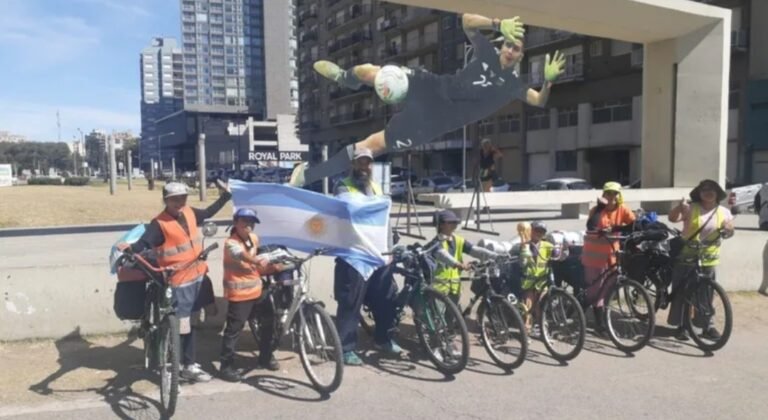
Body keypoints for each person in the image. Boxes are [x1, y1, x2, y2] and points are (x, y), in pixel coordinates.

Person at [299, 13, 566, 185]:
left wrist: (548, 81)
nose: (510, 50)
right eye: (508, 44)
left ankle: (308, 176)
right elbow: (466, 21)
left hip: (434, 122)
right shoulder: (485, 53)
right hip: (433, 87)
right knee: (373, 72)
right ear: (502, 44)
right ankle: (346, 77)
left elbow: (539, 101)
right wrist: (497, 23)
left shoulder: (512, 85)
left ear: (521, 56)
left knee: (370, 146)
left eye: (516, 49)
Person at [121, 181, 231, 383]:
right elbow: (145, 242)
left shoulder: (189, 212)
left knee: (191, 323)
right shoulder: (159, 224)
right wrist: (128, 249)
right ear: (166, 200)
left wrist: (226, 197)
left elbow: (207, 213)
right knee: (183, 325)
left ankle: (188, 364)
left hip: (197, 275)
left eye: (182, 198)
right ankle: (181, 364)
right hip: (179, 281)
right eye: (174, 199)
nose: (179, 202)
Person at [333, 147, 399, 366]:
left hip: (379, 255)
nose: (364, 167)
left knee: (386, 300)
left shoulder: (376, 187)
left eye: (368, 163)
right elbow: (351, 212)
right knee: (351, 303)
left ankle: (383, 339)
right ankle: (346, 348)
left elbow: (385, 222)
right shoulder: (343, 186)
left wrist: (389, 250)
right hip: (354, 255)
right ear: (353, 165)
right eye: (360, 162)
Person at [219, 208, 287, 382]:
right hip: (239, 294)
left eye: (251, 222)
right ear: (235, 223)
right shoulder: (231, 242)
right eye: (244, 221)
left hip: (257, 289)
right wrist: (256, 260)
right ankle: (226, 366)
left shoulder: (254, 239)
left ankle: (265, 356)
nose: (248, 225)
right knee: (234, 330)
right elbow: (241, 255)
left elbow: (256, 267)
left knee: (269, 322)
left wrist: (273, 266)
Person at [667, 179, 734, 340]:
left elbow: (730, 230)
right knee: (682, 292)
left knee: (706, 294)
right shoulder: (691, 207)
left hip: (708, 258)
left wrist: (728, 229)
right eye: (704, 189)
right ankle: (682, 325)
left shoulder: (724, 212)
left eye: (712, 189)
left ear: (717, 193)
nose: (708, 192)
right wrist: (679, 207)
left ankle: (706, 326)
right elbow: (672, 218)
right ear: (699, 193)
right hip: (687, 256)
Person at [582, 181, 636, 334]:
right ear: (603, 195)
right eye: (608, 193)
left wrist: (615, 228)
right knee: (596, 291)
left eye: (614, 193)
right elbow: (590, 226)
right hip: (594, 256)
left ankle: (595, 315)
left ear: (619, 195)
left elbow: (633, 225)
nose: (611, 196)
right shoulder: (597, 210)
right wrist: (600, 208)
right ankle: (599, 324)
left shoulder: (623, 209)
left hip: (612, 256)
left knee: (607, 290)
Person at [426, 210, 501, 305]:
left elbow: (475, 250)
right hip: (439, 290)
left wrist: (496, 256)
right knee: (438, 318)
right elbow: (444, 256)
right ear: (441, 225)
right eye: (451, 222)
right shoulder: (435, 243)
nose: (455, 224)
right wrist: (458, 264)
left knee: (454, 318)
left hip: (454, 288)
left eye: (456, 222)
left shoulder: (457, 240)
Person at [519, 222, 555, 336]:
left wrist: (559, 252)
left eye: (542, 232)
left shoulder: (547, 245)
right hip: (528, 282)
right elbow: (522, 262)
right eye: (536, 231)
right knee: (527, 307)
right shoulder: (525, 245)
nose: (539, 234)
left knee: (541, 305)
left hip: (541, 281)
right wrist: (523, 248)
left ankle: (543, 329)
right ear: (530, 231)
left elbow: (557, 253)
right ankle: (526, 331)